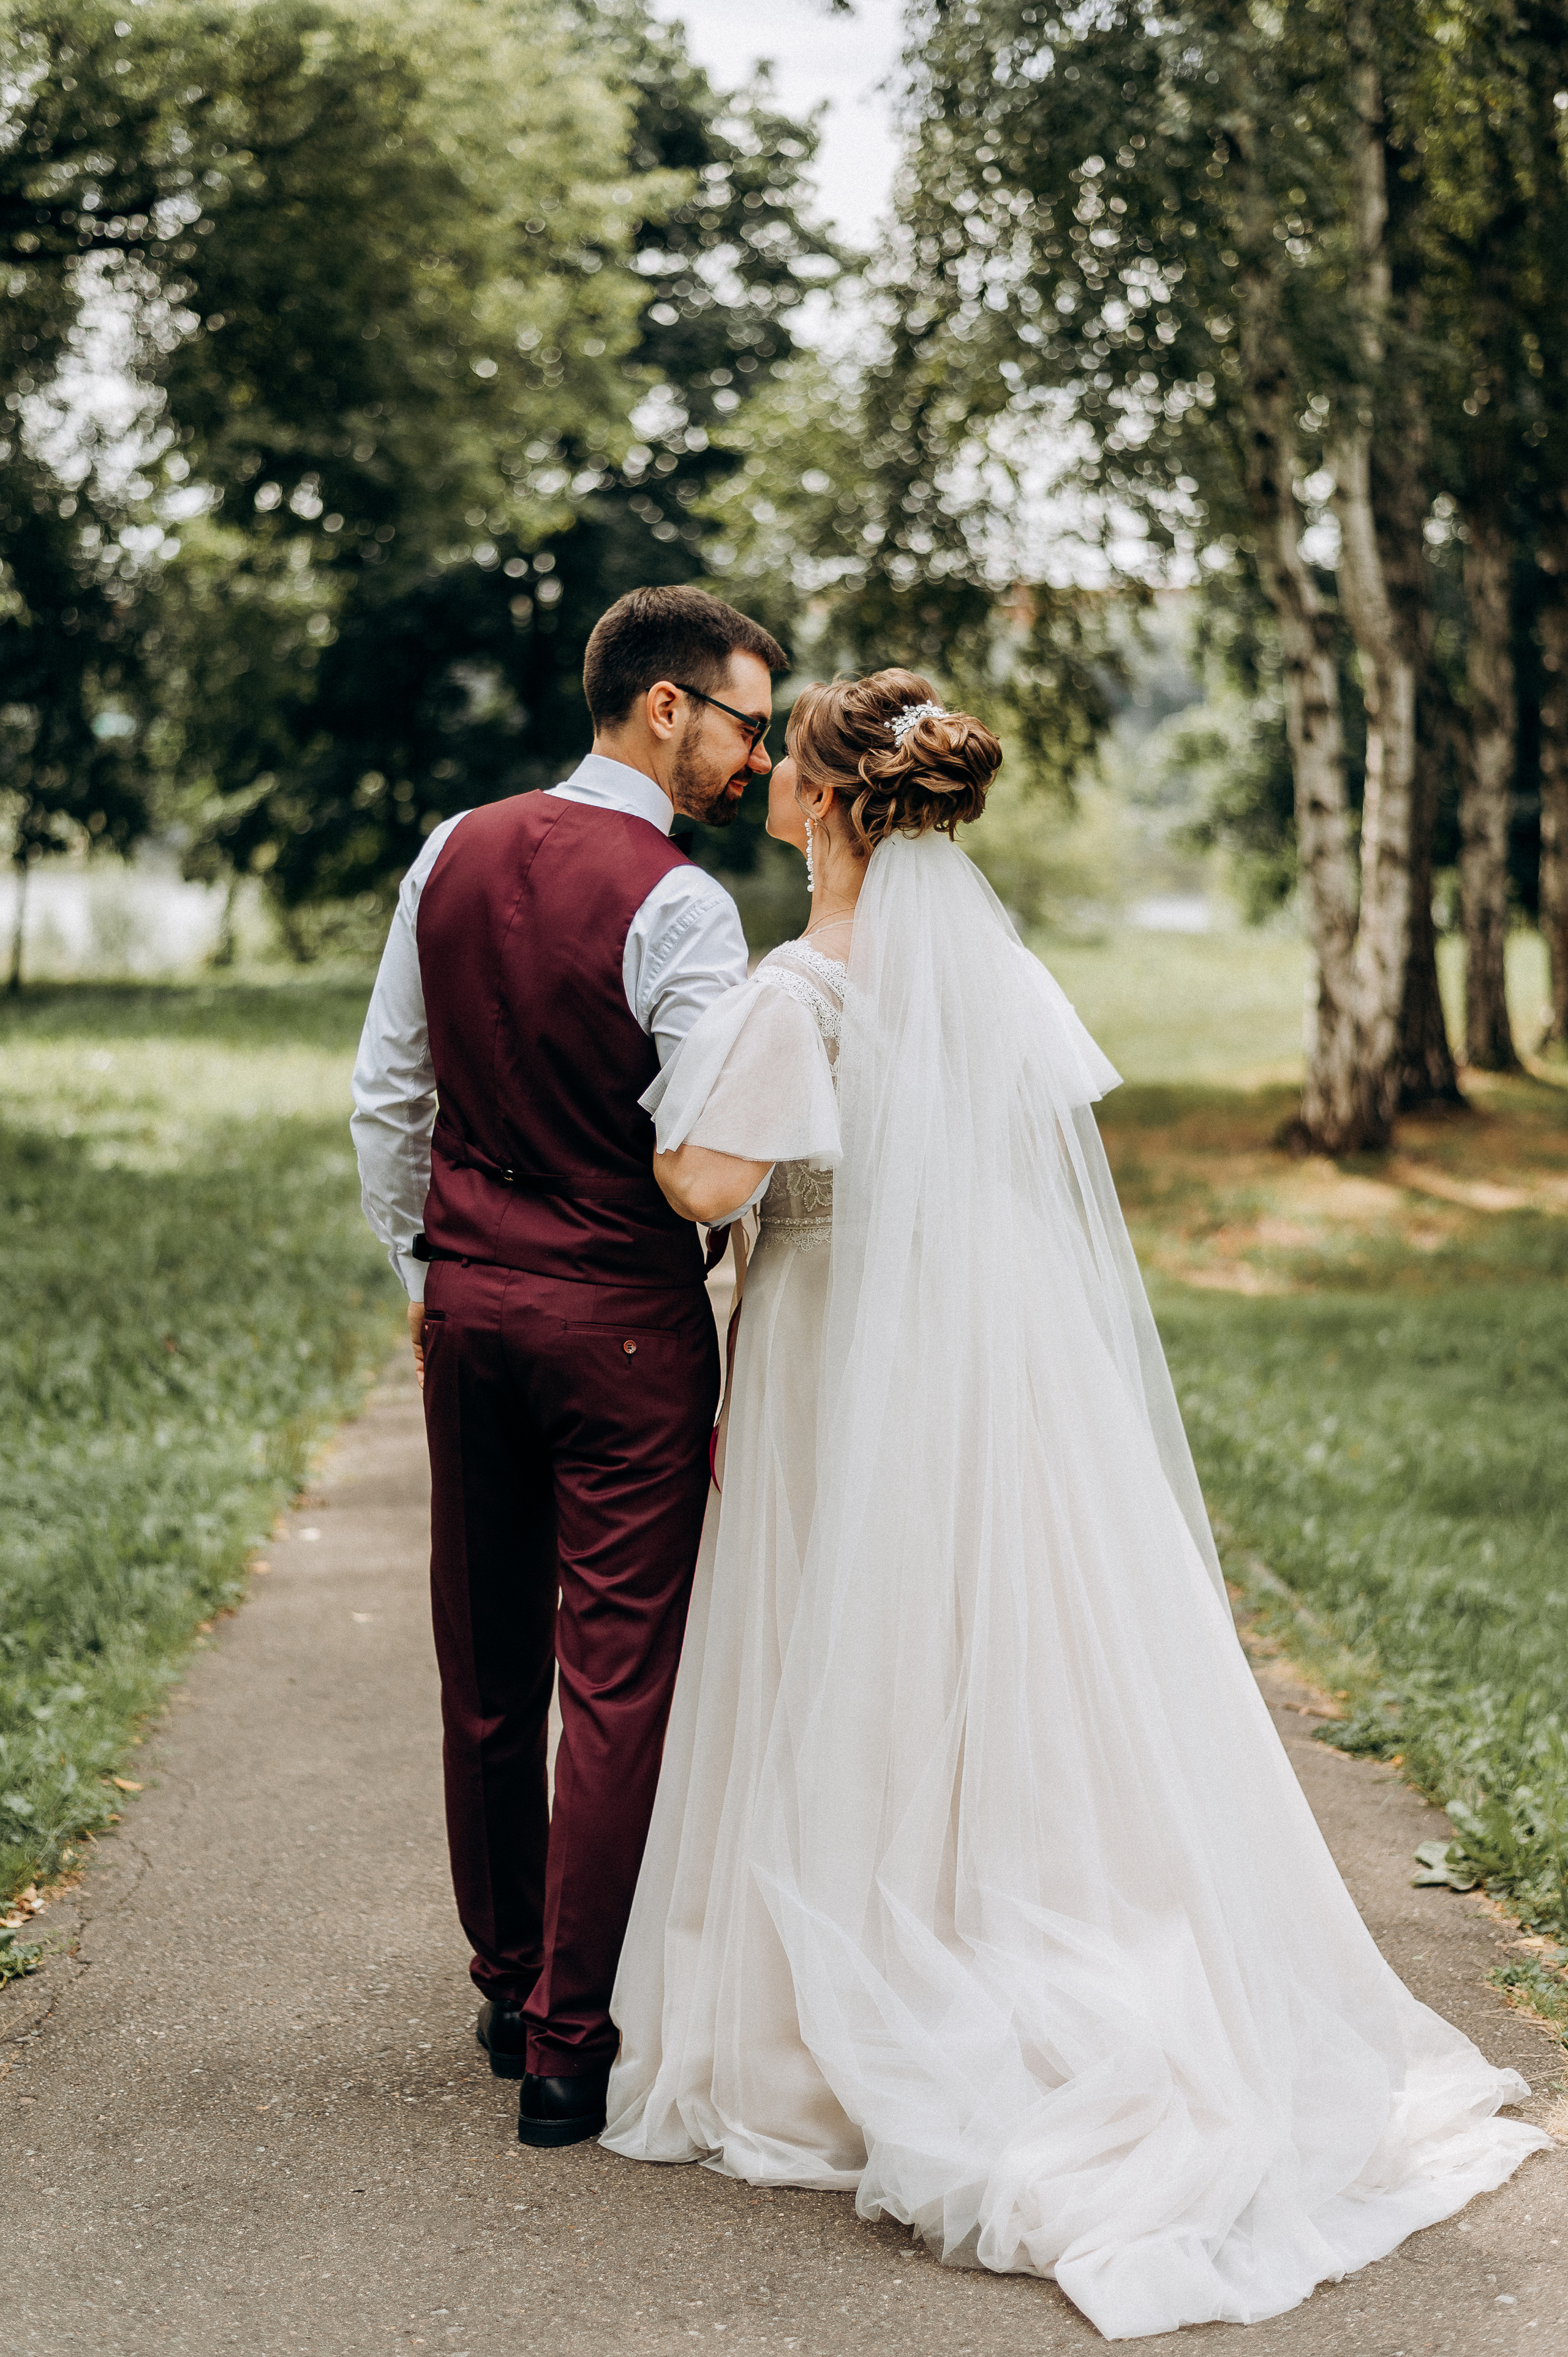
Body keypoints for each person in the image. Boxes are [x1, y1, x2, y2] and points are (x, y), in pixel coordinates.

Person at [601, 669, 1548, 2341]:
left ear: (825, 802)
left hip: (834, 1344)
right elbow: (1023, 1161)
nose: (771, 791)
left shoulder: (794, 995)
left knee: (850, 1628)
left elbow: (704, 1186)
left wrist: (637, 1112)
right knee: (996, 1630)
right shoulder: (1002, 979)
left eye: (789, 774)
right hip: (991, 1347)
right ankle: (1006, 1908)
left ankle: (856, 1987)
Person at [350, 585, 785, 2148]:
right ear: (664, 706)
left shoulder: (449, 847)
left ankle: (503, 1973)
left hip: (467, 1318)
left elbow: (387, 1102)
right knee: (612, 1683)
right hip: (619, 1334)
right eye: (743, 722)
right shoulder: (681, 907)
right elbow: (700, 1147)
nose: (754, 759)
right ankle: (566, 2050)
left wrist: (426, 1271)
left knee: (485, 1667)